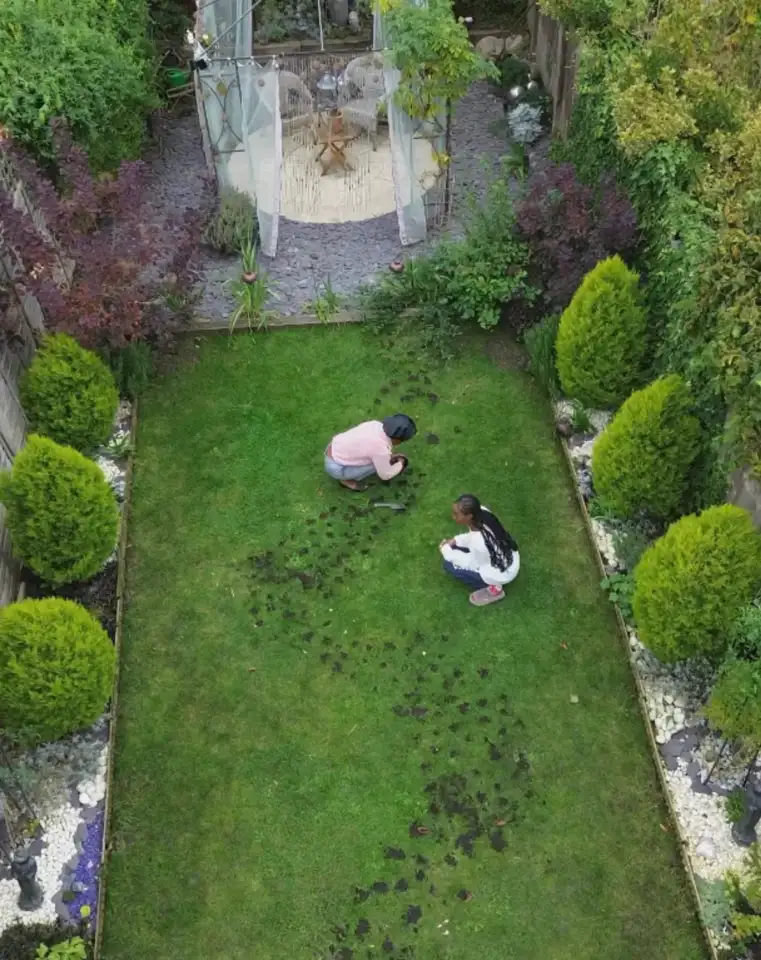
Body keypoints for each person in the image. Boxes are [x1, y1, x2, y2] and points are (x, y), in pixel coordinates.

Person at [439, 494, 520, 607]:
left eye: (456, 514)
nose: (453, 516)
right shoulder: (482, 512)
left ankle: (495, 589)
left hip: (502, 572)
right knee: (456, 547)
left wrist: (446, 551)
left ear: (469, 516)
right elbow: (473, 537)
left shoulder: (479, 543)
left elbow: (474, 563)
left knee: (448, 565)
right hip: (508, 555)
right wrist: (455, 540)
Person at [324, 414, 416, 491]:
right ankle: (345, 480)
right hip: (336, 467)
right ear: (397, 439)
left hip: (334, 447)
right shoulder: (380, 450)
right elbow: (385, 474)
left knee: (378, 459)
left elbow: (370, 446)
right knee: (376, 465)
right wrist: (400, 463)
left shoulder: (375, 424)